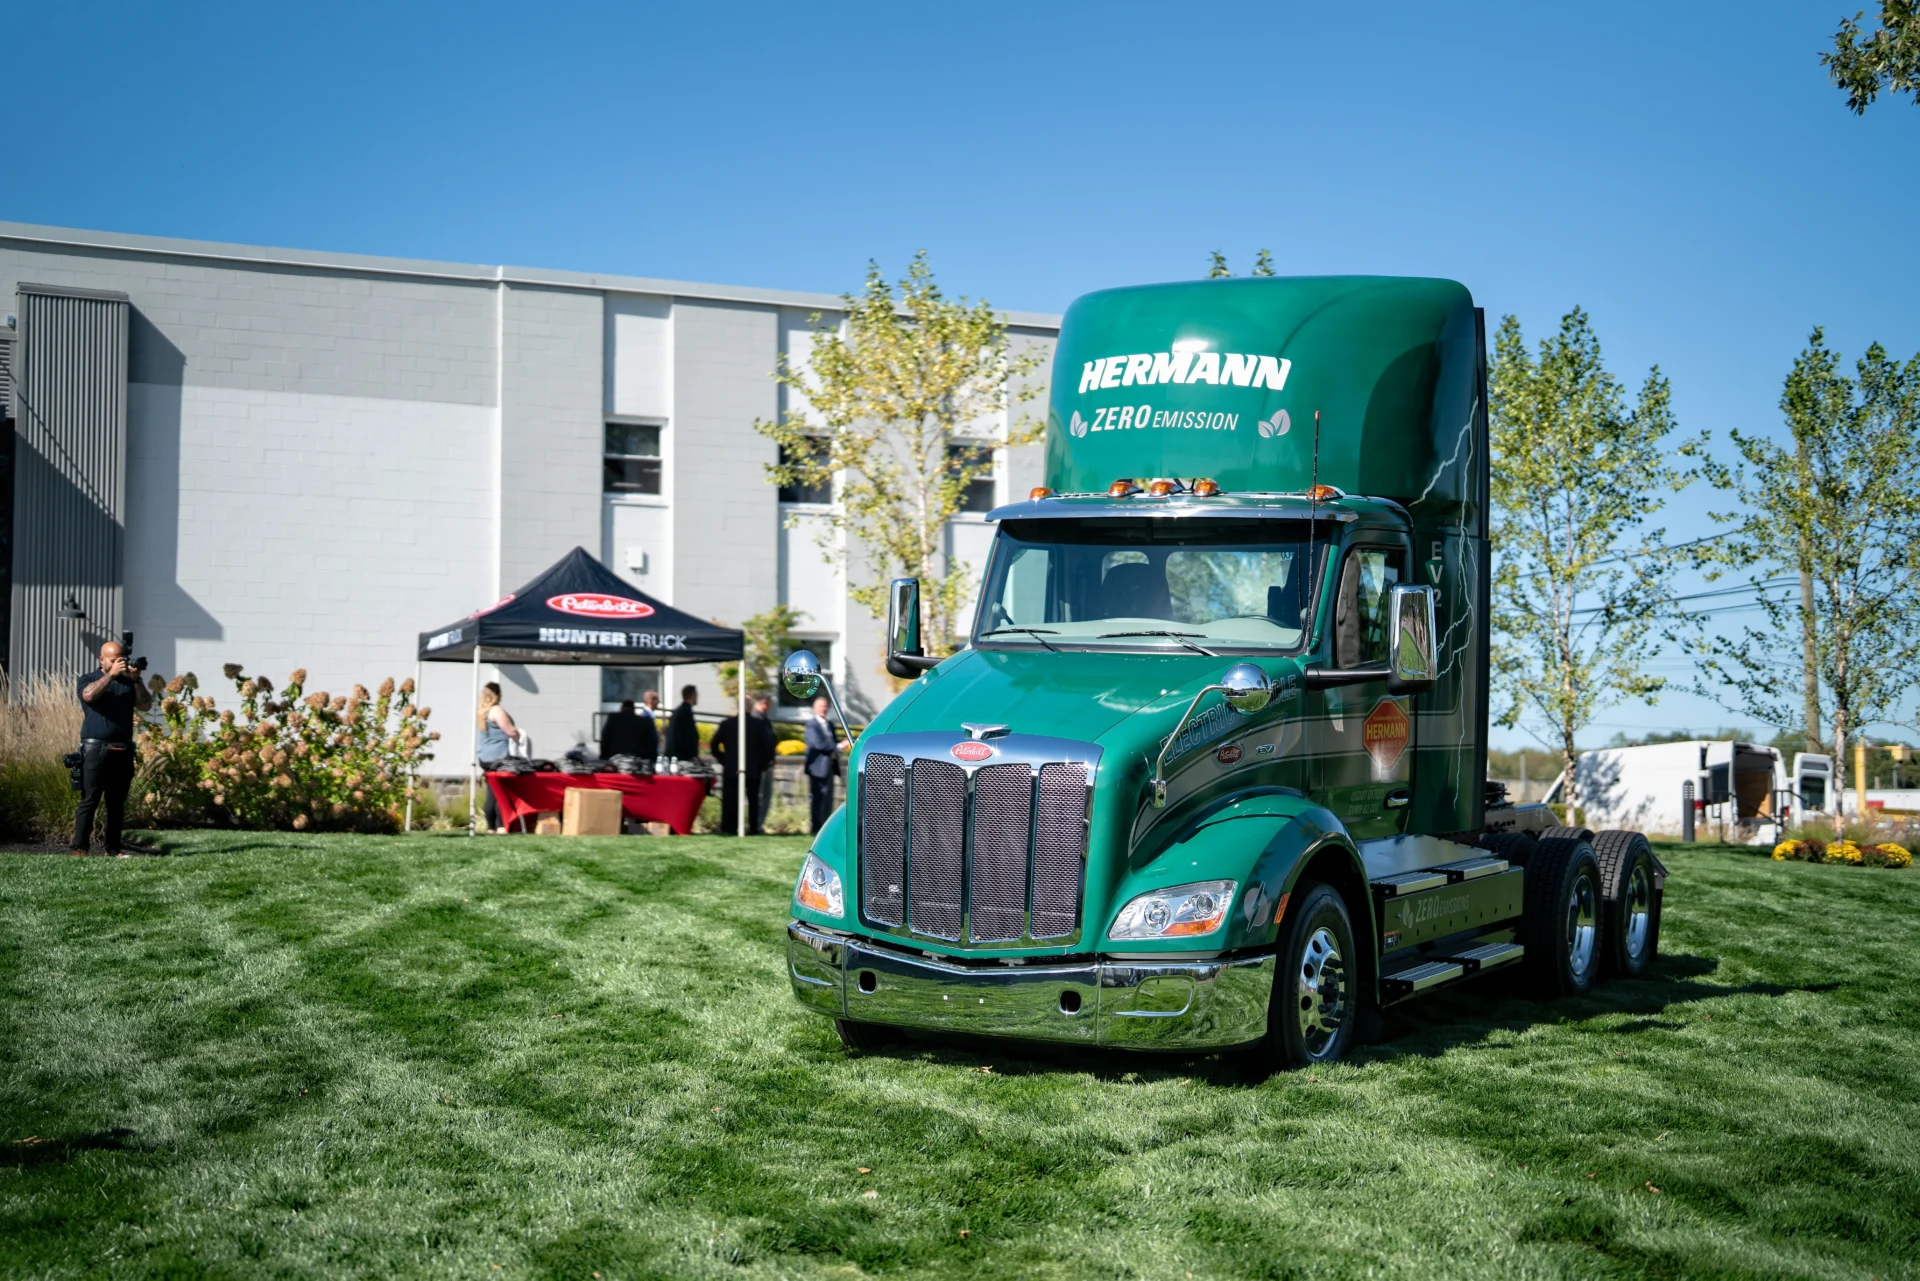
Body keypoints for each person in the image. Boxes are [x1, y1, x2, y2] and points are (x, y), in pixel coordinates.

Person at [71, 639, 152, 856]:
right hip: (95, 750)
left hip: (123, 749)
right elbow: (88, 696)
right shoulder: (88, 679)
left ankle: (113, 849)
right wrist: (111, 675)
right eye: (113, 660)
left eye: (121, 660)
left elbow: (145, 705)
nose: (119, 663)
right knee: (90, 799)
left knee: (116, 803)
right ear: (102, 660)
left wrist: (136, 679)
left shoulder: (128, 683)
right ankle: (80, 848)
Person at [475, 681, 521, 832]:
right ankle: (500, 825)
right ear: (498, 695)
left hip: (485, 757)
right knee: (501, 792)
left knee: (492, 791)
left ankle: (491, 827)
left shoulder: (482, 711)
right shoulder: (496, 710)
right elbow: (510, 731)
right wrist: (519, 737)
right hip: (498, 757)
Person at [804, 694, 843, 834]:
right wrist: (839, 746)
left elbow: (831, 742)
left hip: (830, 766)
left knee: (828, 799)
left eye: (825, 706)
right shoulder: (812, 724)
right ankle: (816, 827)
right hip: (817, 768)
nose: (823, 709)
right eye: (821, 706)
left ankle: (825, 827)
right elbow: (819, 744)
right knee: (818, 798)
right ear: (814, 708)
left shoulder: (829, 724)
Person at [746, 693, 777, 835]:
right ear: (764, 702)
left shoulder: (763, 718)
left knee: (765, 795)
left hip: (766, 763)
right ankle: (756, 824)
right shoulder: (756, 718)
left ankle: (759, 823)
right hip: (760, 764)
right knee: (760, 795)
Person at [710, 708, 741, 835]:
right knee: (748, 798)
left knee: (729, 798)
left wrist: (723, 758)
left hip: (730, 766)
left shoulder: (727, 724)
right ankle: (745, 826)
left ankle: (727, 826)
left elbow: (714, 744)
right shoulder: (754, 724)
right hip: (743, 767)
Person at [665, 684, 700, 762]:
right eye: (696, 695)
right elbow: (689, 736)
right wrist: (692, 754)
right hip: (681, 756)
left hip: (675, 754)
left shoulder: (679, 711)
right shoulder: (686, 712)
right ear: (692, 695)